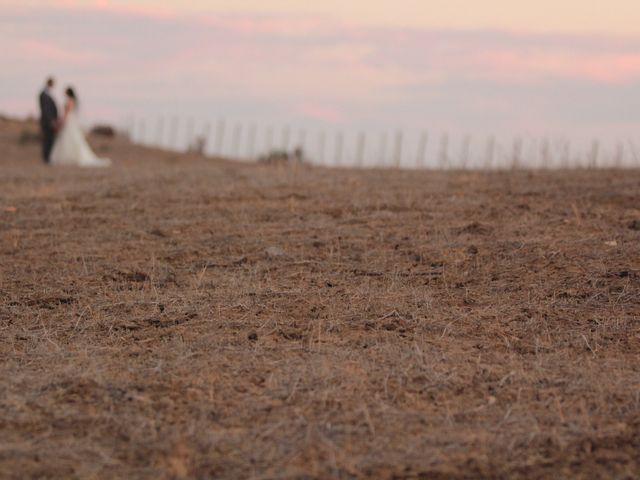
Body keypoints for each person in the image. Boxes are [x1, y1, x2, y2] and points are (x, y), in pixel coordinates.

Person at [49, 87, 111, 167]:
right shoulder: (72, 100)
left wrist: (61, 121)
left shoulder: (70, 101)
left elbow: (67, 113)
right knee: (69, 139)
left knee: (70, 138)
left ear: (68, 92)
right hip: (70, 121)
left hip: (69, 121)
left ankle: (72, 157)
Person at [38, 77, 59, 163]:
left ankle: (48, 157)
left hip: (49, 121)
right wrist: (52, 121)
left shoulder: (47, 93)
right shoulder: (43, 94)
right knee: (48, 140)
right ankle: (46, 158)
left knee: (50, 140)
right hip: (47, 122)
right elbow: (46, 110)